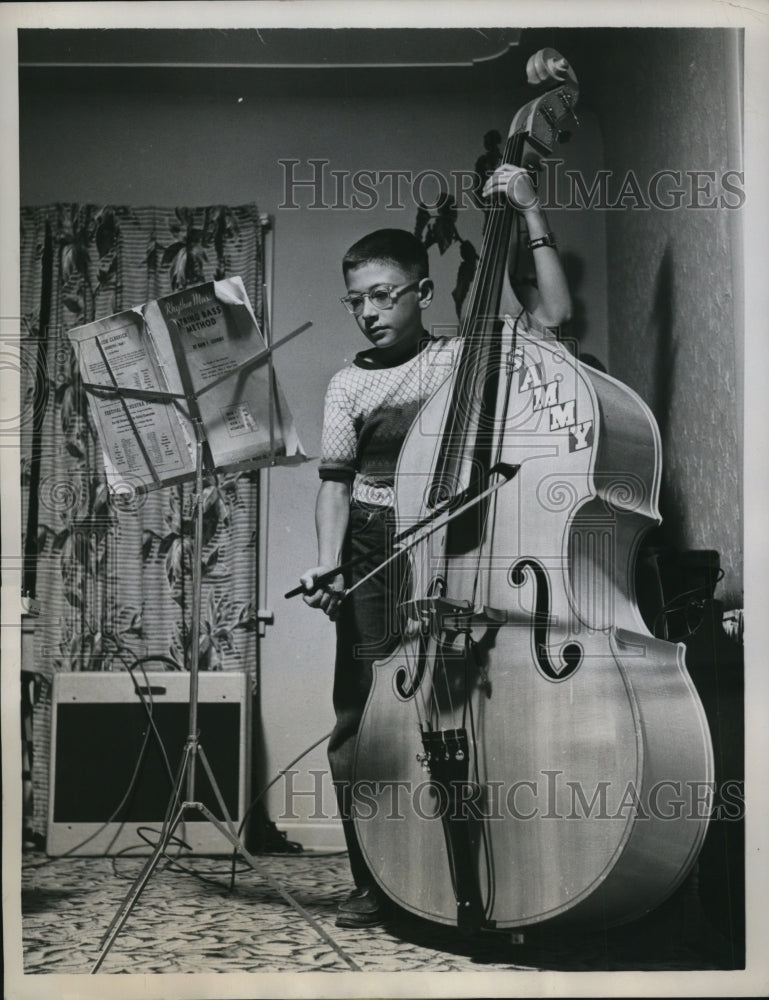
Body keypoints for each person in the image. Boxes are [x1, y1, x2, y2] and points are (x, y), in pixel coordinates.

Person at [299, 164, 572, 928]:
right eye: (356, 299)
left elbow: (552, 316)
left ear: (423, 291)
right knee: (361, 724)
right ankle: (370, 878)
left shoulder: (460, 355)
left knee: (469, 709)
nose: (368, 313)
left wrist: (528, 210)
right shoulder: (347, 387)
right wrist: (328, 561)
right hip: (373, 545)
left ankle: (476, 868)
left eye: (384, 295)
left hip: (456, 539)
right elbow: (335, 484)